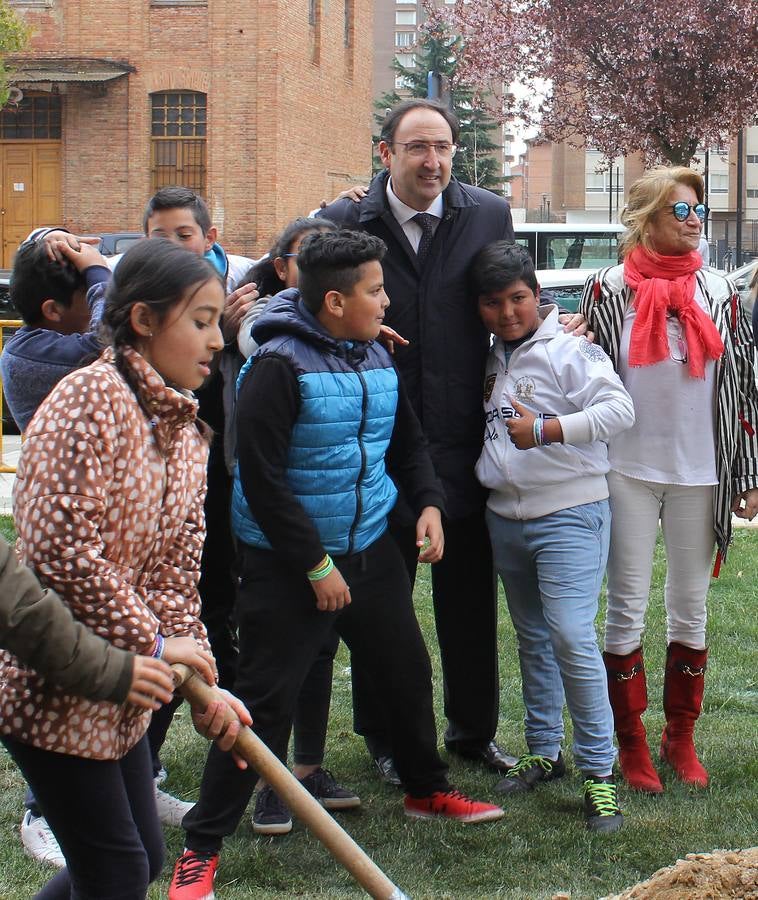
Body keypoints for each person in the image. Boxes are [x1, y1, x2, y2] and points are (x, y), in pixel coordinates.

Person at [168, 230, 505, 900]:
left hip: (370, 545)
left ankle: (426, 790)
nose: (387, 301)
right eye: (375, 291)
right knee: (261, 706)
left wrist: (430, 504)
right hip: (286, 562)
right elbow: (258, 478)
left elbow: (407, 444)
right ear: (332, 300)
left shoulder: (376, 354)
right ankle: (201, 849)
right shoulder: (277, 366)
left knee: (406, 669)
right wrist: (315, 565)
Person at [0, 238, 252, 899]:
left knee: (133, 863)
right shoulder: (89, 398)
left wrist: (199, 676)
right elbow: (61, 552)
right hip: (54, 686)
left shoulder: (187, 430)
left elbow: (175, 570)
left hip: (126, 698)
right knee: (115, 871)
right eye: (200, 321)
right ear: (143, 320)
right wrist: (154, 643)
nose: (215, 340)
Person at [318, 99, 518, 780]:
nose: (431, 162)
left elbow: (509, 297)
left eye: (443, 147)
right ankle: (386, 737)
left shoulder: (486, 214)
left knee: (467, 601)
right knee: (382, 606)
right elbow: (291, 292)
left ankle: (473, 732)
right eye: (416, 148)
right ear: (386, 154)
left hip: (464, 441)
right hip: (375, 444)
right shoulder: (346, 220)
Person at [580, 167, 758, 794]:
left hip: (702, 471)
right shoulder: (606, 290)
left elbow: (742, 385)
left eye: (698, 210)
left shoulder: (720, 292)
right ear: (648, 217)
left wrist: (749, 472)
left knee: (691, 606)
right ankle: (630, 743)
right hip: (624, 468)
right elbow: (587, 373)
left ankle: (679, 738)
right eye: (680, 211)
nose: (694, 220)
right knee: (625, 606)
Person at [472, 241, 634, 833]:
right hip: (505, 518)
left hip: (570, 513)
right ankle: (545, 748)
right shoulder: (487, 356)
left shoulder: (570, 351)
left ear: (538, 298)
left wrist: (549, 429)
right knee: (533, 636)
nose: (507, 313)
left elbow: (620, 410)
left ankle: (600, 772)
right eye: (493, 303)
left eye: (517, 299)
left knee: (570, 634)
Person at [234, 215, 360, 835]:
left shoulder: (359, 346)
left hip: (333, 536)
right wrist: (313, 561)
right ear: (285, 269)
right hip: (281, 547)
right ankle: (260, 788)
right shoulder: (276, 350)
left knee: (316, 658)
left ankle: (304, 773)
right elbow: (261, 473)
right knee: (271, 676)